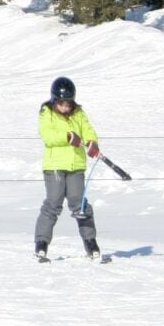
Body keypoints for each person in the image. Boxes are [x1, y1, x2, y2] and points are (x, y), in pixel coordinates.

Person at [35, 76, 101, 261]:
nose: (65, 108)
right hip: (55, 166)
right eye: (62, 104)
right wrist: (67, 136)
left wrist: (92, 142)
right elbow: (47, 135)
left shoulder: (79, 114)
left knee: (79, 203)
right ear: (55, 101)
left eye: (68, 104)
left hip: (76, 165)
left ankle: (91, 242)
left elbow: (88, 129)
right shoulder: (46, 113)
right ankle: (42, 243)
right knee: (54, 202)